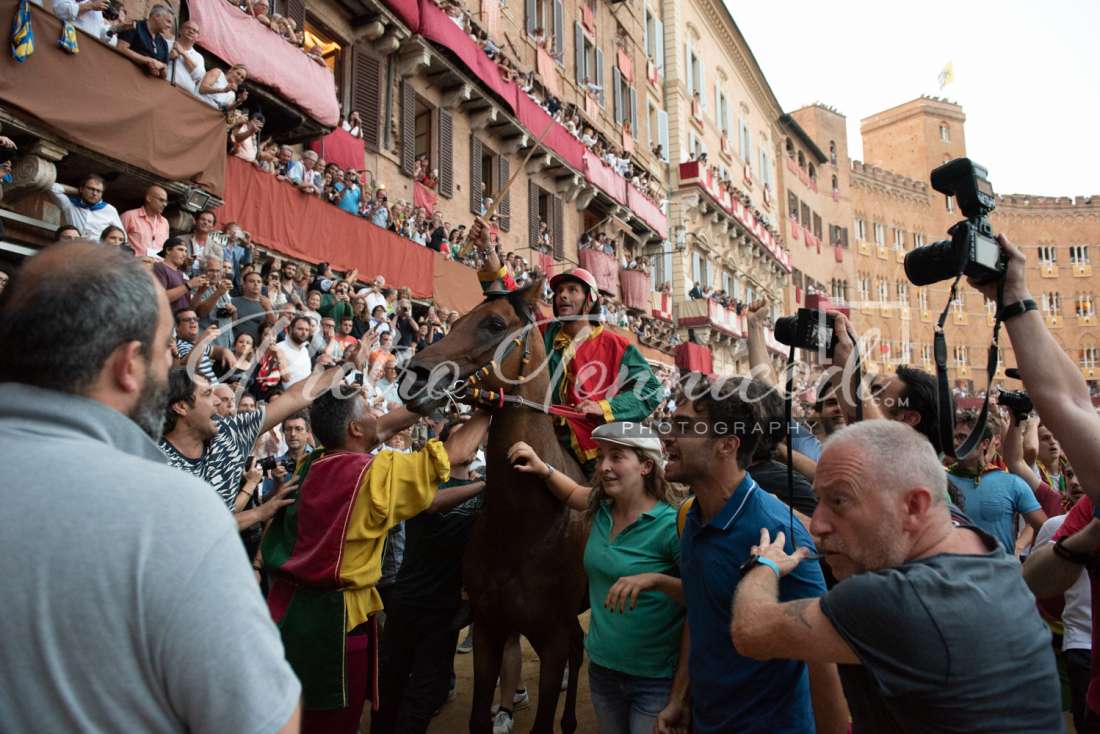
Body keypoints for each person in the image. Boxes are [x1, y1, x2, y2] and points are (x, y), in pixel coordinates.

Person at [0, 243, 301, 732]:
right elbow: (268, 723)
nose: (172, 371)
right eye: (166, 350)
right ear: (129, 364)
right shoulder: (172, 512)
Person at [730, 420, 1063, 733]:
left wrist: (765, 566)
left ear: (914, 506)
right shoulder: (982, 549)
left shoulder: (896, 598)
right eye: (819, 500)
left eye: (839, 501)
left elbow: (751, 630)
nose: (817, 524)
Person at [261, 391, 489, 733]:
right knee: (334, 723)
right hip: (336, 627)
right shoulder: (372, 474)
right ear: (355, 428)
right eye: (369, 410)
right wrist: (489, 405)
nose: (378, 414)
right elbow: (454, 453)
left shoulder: (313, 462)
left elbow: (378, 428)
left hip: (289, 615)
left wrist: (429, 397)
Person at [653, 377, 839, 734]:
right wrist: (679, 698)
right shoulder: (692, 518)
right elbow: (700, 612)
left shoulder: (778, 532)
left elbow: (821, 659)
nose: (667, 436)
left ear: (726, 445)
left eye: (684, 427)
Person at [508, 423, 685, 734]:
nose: (603, 466)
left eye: (616, 457)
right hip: (602, 670)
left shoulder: (672, 526)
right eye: (601, 456)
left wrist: (656, 580)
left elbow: (703, 598)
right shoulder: (601, 507)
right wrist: (543, 467)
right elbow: (574, 492)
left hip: (655, 679)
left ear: (646, 466)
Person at [469, 217, 662, 471]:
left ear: (589, 299)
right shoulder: (541, 331)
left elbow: (651, 390)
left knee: (610, 500)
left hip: (591, 449)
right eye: (560, 291)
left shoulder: (615, 345)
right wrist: (487, 248)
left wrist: (604, 407)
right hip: (535, 430)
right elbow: (510, 295)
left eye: (572, 290)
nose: (562, 295)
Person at [371, 419, 487, 734]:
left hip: (445, 608)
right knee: (391, 682)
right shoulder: (426, 483)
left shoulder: (484, 491)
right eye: (461, 435)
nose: (470, 440)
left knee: (425, 691)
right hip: (407, 600)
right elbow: (432, 505)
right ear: (446, 445)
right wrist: (483, 486)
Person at [946, 411, 1046, 553]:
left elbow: (1046, 528)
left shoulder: (1012, 483)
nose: (955, 443)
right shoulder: (940, 481)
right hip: (955, 573)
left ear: (985, 444)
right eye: (954, 438)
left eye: (962, 437)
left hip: (1002, 573)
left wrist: (1020, 546)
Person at [49, 174, 123, 240]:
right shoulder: (70, 205)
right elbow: (53, 188)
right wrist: (77, 191)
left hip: (98, 252)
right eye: (91, 189)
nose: (94, 193)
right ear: (81, 189)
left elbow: (122, 235)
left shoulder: (109, 209)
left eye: (98, 191)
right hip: (74, 248)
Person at [115, 3, 173, 78]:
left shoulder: (164, 43)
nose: (170, 26)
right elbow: (120, 48)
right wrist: (146, 60)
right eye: (168, 21)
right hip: (123, 76)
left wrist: (160, 66)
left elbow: (165, 73)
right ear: (157, 16)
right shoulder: (134, 25)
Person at [120, 184, 170, 258]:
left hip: (157, 267)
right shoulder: (129, 216)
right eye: (161, 200)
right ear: (148, 198)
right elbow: (117, 242)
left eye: (166, 201)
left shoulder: (165, 222)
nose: (165, 204)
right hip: (133, 265)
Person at [232, 270, 276, 344]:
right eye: (252, 281)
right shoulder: (233, 302)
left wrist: (268, 308)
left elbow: (272, 326)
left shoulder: (267, 303)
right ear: (244, 284)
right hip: (236, 347)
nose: (256, 284)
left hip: (258, 349)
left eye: (259, 282)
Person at [274, 315, 314, 389]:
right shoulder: (279, 348)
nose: (304, 333)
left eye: (307, 330)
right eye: (300, 329)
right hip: (287, 395)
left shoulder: (305, 350)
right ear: (291, 329)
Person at [167, 20, 205, 94]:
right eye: (188, 28)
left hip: (184, 95)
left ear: (197, 37)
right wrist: (168, 57)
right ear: (180, 30)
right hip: (163, 85)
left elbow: (199, 77)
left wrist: (183, 53)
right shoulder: (166, 44)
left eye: (195, 31)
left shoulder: (199, 57)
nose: (191, 31)